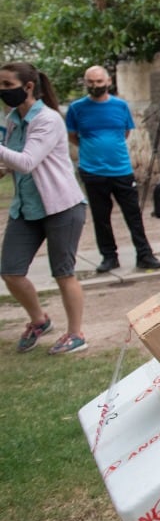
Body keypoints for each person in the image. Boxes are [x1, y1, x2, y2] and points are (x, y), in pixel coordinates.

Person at [0, 62, 92, 354]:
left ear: (28, 87)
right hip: (26, 208)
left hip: (61, 206)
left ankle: (76, 334)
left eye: (6, 85)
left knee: (63, 273)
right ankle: (39, 320)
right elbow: (15, 161)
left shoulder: (48, 119)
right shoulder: (12, 118)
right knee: (10, 271)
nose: (1, 91)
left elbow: (27, 161)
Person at [64, 66, 160, 273]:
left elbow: (126, 132)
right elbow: (72, 136)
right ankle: (109, 257)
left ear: (108, 81)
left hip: (121, 170)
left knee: (133, 214)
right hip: (92, 171)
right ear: (86, 83)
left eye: (99, 82)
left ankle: (145, 255)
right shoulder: (76, 108)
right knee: (101, 217)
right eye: (91, 82)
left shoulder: (121, 106)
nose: (95, 86)